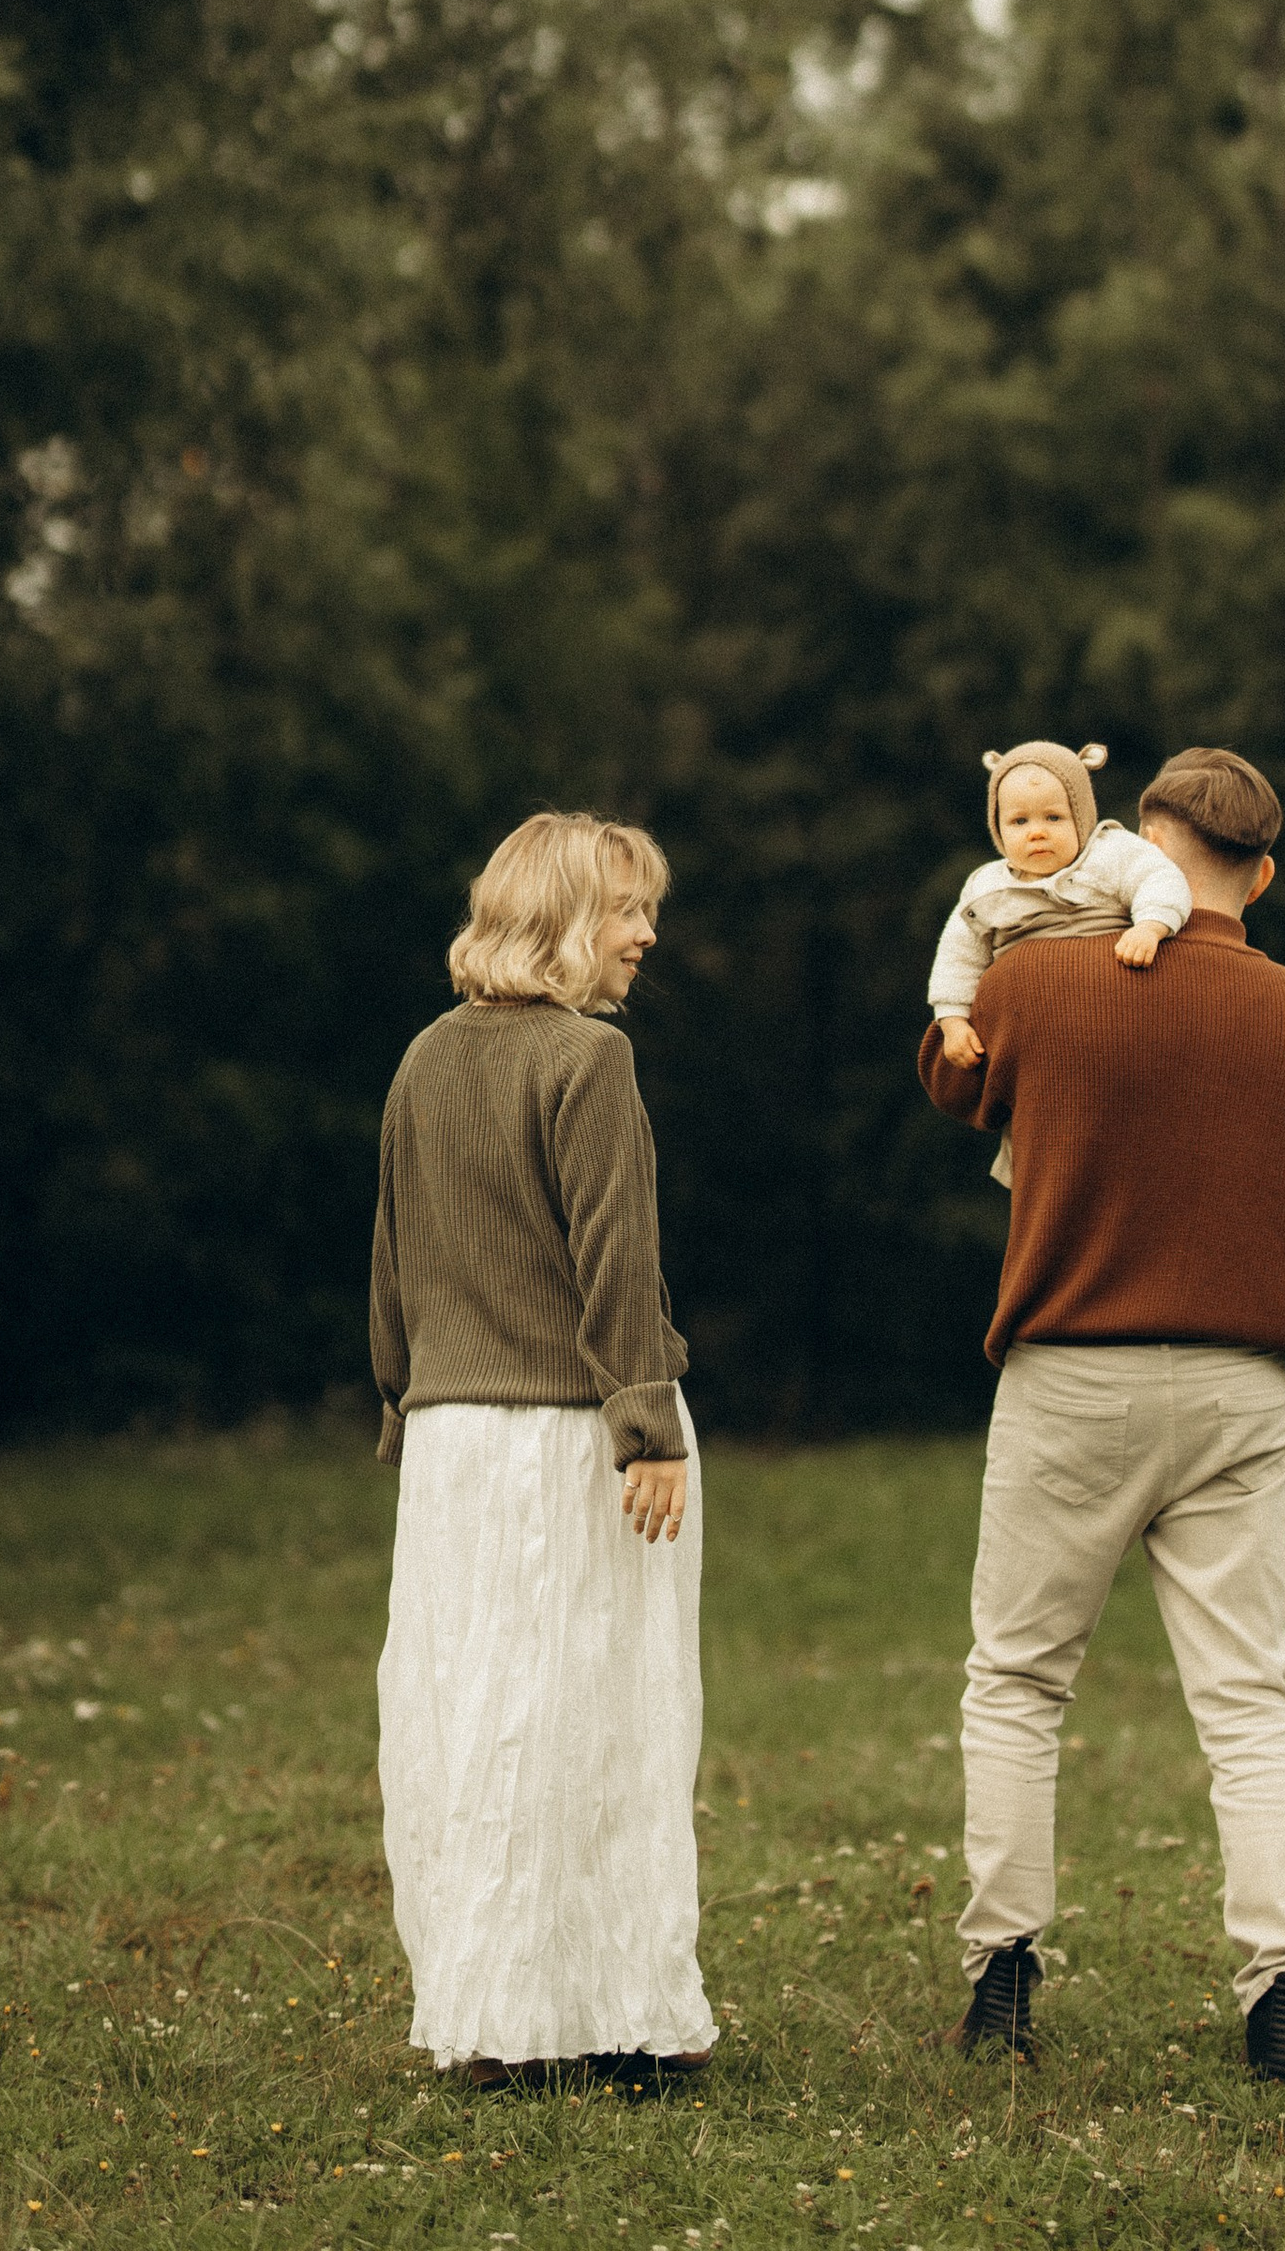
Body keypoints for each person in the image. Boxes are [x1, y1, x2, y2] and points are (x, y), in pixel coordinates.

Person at [917, 744, 1285, 2085]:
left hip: (1073, 1372)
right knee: (1247, 1701)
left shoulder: (1041, 981)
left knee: (1020, 1680)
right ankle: (1281, 1996)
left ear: (1135, 845)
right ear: (1262, 874)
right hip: (1241, 1383)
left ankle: (1004, 1982)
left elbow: (951, 1080)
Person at [371, 810, 715, 2094]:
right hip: (575, 1439)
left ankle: (494, 2017)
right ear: (564, 918)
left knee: (467, 1723)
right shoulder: (588, 1062)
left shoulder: (421, 1059)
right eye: (627, 910)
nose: (646, 935)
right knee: (604, 1721)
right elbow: (615, 1258)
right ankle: (616, 2017)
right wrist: (649, 1424)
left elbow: (391, 1261)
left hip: (455, 1445)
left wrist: (403, 1401)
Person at [927, 739, 1195, 1186]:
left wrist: (1150, 926)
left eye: (1054, 817)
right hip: (1034, 1045)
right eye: (1019, 821)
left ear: (1082, 817)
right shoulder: (985, 889)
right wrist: (952, 1019)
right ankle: (1035, 1178)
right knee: (1037, 1124)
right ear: (997, 828)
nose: (1037, 831)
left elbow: (1160, 878)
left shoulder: (1111, 853)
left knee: (1124, 1109)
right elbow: (958, 955)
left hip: (1113, 1017)